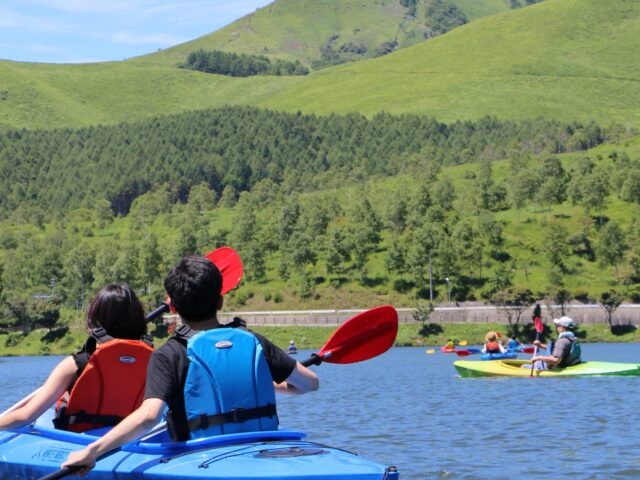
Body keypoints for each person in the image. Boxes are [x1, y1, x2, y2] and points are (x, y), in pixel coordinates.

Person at [63, 255, 319, 474]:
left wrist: (91, 451)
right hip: (260, 451)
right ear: (220, 302)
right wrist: (258, 384)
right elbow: (310, 383)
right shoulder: (253, 341)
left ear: (173, 307)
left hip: (200, 458)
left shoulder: (168, 355)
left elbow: (149, 416)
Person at [0, 283, 149, 432]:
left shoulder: (76, 364)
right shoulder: (154, 362)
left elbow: (26, 416)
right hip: (125, 438)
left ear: (96, 320)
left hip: (79, 442)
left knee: (46, 414)